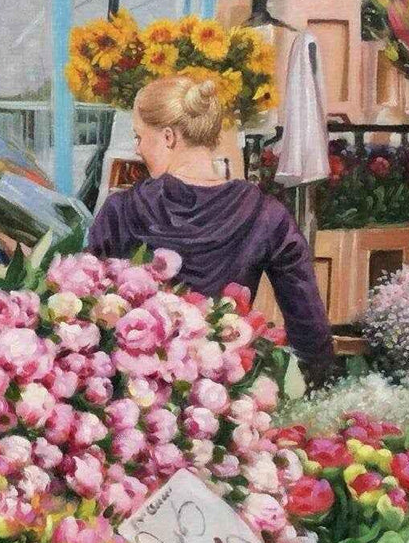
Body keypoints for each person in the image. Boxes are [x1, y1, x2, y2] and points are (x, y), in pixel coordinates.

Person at [88, 73, 335, 386]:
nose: (137, 149)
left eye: (139, 137)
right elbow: (311, 335)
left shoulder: (121, 210)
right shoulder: (267, 214)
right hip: (227, 394)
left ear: (168, 137)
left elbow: (88, 314)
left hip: (139, 396)